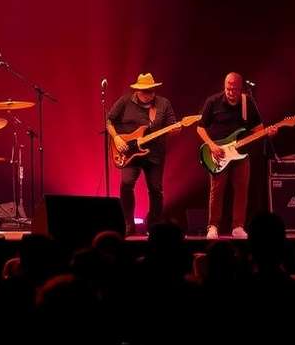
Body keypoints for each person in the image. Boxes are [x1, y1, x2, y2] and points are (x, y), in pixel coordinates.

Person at [196, 72, 275, 239]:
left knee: (241, 189)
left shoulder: (248, 102)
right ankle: (213, 226)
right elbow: (200, 127)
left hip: (241, 153)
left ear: (241, 88)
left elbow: (258, 130)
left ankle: (238, 226)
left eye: (234, 89)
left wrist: (268, 133)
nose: (230, 92)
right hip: (218, 153)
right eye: (228, 88)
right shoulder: (213, 102)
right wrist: (212, 145)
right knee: (217, 190)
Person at [107, 73, 177, 235]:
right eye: (145, 92)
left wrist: (175, 130)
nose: (149, 95)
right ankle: (128, 223)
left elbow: (172, 126)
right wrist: (117, 138)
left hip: (155, 153)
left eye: (152, 91)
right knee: (126, 183)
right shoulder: (125, 101)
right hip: (129, 151)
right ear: (137, 91)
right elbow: (109, 120)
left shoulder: (163, 104)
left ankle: (154, 225)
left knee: (156, 189)